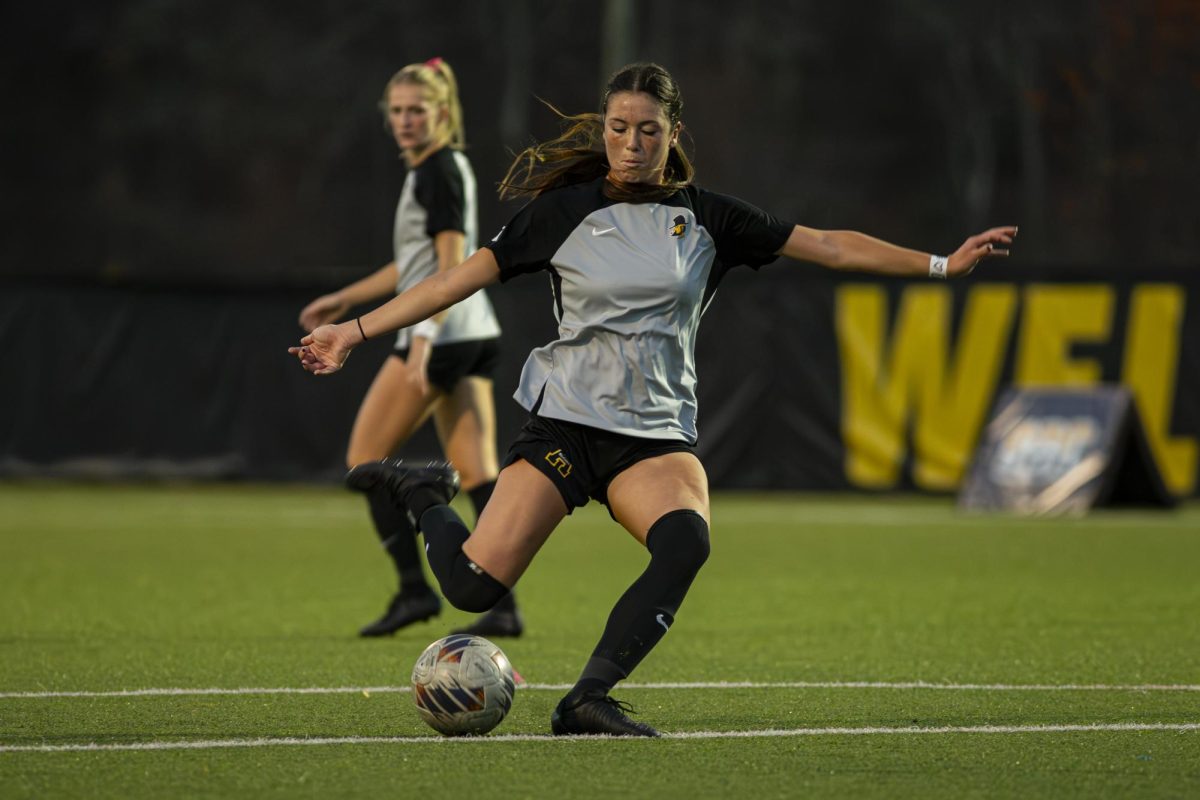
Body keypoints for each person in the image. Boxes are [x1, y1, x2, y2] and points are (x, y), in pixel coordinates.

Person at [290, 62, 1016, 735]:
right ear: (602, 129)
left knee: (685, 543)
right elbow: (452, 282)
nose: (630, 143)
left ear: (673, 134)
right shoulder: (562, 212)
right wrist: (353, 331)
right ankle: (422, 493)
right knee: (473, 591)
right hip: (565, 428)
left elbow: (826, 245)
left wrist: (941, 265)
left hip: (654, 437)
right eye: (617, 127)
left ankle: (587, 699)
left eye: (647, 129)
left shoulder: (709, 218)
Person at [297, 57, 524, 639]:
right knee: (478, 471)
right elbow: (413, 265)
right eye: (396, 111)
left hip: (443, 336)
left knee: (364, 462)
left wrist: (421, 341)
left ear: (442, 113)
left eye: (416, 110)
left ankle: (414, 589)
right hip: (475, 334)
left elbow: (449, 269)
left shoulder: (437, 172)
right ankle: (503, 602)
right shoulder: (439, 167)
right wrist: (345, 298)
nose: (404, 120)